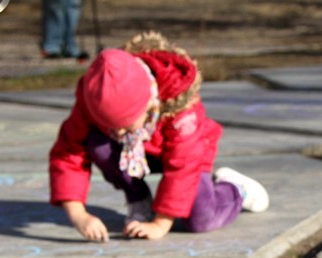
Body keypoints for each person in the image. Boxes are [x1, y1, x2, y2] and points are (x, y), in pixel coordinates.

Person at [49, 31, 269, 242]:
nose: (118, 133)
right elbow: (68, 154)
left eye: (125, 127)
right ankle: (139, 200)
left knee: (200, 220)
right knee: (99, 143)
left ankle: (236, 190)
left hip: (186, 155)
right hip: (141, 152)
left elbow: (183, 165)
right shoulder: (94, 99)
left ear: (147, 106)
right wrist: (78, 215)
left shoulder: (179, 102)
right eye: (111, 128)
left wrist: (160, 224)